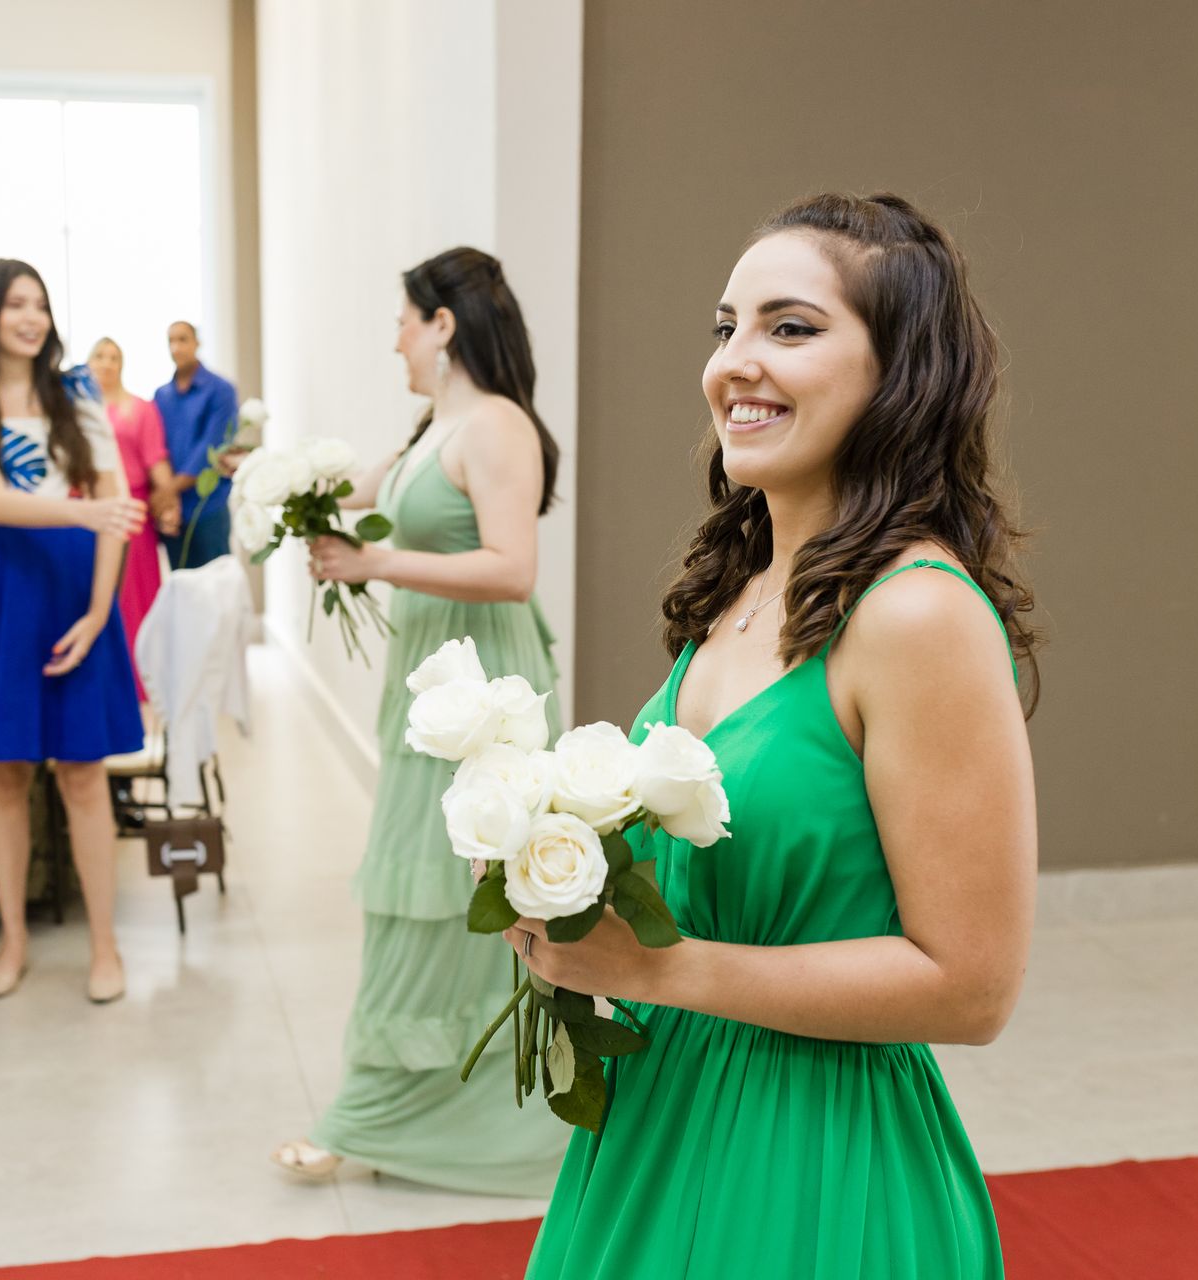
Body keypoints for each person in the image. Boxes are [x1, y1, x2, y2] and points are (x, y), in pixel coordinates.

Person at [516, 193, 1040, 1278]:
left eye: (790, 328)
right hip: (663, 1119)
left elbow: (972, 986)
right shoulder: (745, 585)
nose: (735, 363)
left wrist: (656, 965)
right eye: (728, 326)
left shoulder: (915, 612)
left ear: (899, 373)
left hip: (810, 1157)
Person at [275, 248, 570, 1191]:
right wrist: (271, 490)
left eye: (404, 320)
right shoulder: (431, 429)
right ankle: (406, 1106)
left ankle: (379, 1116)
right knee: (427, 893)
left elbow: (512, 566)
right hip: (435, 680)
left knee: (464, 895)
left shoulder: (499, 427)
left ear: (443, 325)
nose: (393, 338)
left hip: (486, 686)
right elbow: (354, 493)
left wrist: (376, 565)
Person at [0, 259, 146, 1004]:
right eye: (16, 303)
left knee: (82, 772)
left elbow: (117, 499)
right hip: (3, 583)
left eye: (40, 303)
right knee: (2, 770)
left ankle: (104, 947)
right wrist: (88, 514)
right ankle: (13, 940)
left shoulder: (77, 390)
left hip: (78, 582)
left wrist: (100, 609)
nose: (31, 316)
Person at [84, 336, 177, 676]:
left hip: (130, 513)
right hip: (85, 514)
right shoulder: (76, 411)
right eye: (100, 356)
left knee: (134, 597)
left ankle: (139, 673)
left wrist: (168, 502)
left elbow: (156, 461)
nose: (106, 363)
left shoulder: (140, 409)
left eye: (114, 357)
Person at [152, 320, 239, 569]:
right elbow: (158, 448)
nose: (176, 347)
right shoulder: (162, 396)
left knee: (215, 586)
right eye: (171, 341)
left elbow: (212, 448)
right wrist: (168, 498)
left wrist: (169, 490)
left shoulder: (220, 390)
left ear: (197, 343)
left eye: (183, 339)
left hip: (208, 505)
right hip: (173, 510)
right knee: (182, 588)